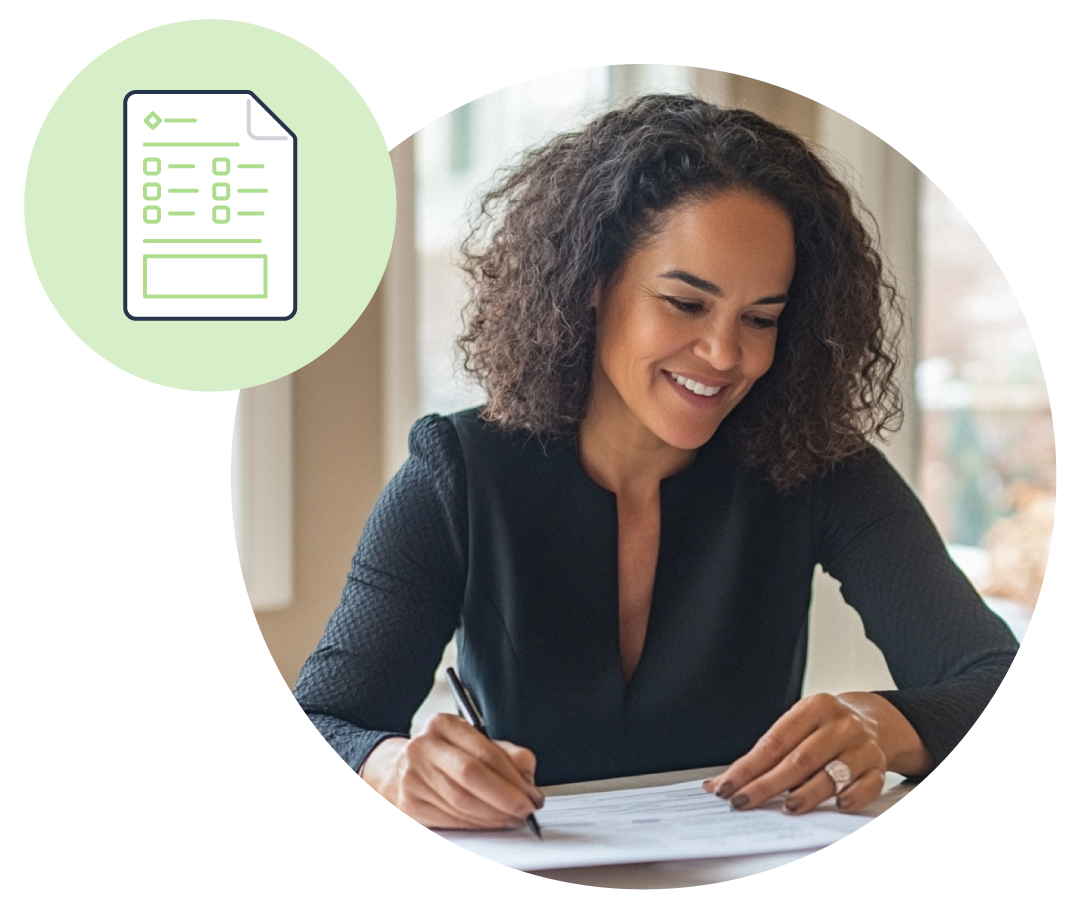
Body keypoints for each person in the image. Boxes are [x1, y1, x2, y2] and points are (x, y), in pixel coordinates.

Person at [289, 95, 1019, 831]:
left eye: (761, 319)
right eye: (685, 304)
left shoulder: (818, 464)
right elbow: (321, 721)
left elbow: (1014, 690)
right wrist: (393, 767)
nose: (727, 355)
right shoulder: (458, 470)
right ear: (593, 285)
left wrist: (892, 724)